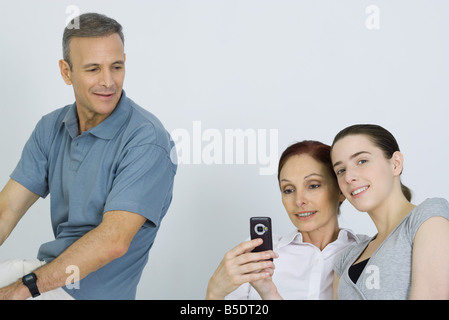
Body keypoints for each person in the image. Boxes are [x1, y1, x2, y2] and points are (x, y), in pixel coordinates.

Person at [0, 13, 177, 300]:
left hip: (79, 295)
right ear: (66, 71)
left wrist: (23, 289)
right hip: (46, 275)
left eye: (116, 67)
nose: (108, 82)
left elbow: (114, 241)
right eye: (93, 69)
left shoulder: (147, 140)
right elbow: (6, 208)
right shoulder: (50, 127)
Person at [206, 140, 368, 300]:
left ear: (340, 191)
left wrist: (270, 294)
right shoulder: (257, 254)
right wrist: (214, 293)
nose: (299, 201)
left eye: (313, 185)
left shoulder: (367, 252)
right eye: (288, 190)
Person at [331, 124, 449, 299]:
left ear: (395, 164)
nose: (348, 177)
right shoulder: (345, 259)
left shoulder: (427, 218)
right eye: (341, 170)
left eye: (362, 161)